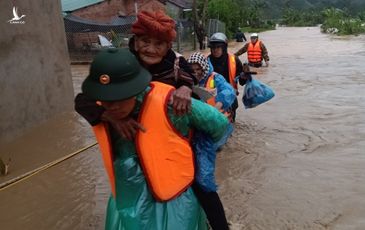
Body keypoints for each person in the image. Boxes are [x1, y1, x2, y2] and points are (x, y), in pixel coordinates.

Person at [80, 48, 230, 229]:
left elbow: (219, 124)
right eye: (106, 100)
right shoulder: (99, 106)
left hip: (173, 191)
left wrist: (192, 147)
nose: (112, 106)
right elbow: (81, 102)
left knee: (206, 197)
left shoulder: (172, 103)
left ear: (135, 90)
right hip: (128, 192)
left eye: (119, 98)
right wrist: (106, 116)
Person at [75, 10, 196, 140]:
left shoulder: (177, 63)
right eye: (145, 41)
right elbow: (82, 102)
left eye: (159, 44)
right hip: (131, 136)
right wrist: (108, 116)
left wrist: (185, 88)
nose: (150, 49)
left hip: (166, 135)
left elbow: (190, 81)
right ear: (136, 42)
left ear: (168, 46)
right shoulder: (120, 63)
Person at [187, 52, 236, 230]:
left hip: (214, 128)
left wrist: (217, 107)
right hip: (195, 130)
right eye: (192, 69)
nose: (195, 72)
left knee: (204, 178)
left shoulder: (216, 78)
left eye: (198, 69)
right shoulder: (186, 82)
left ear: (204, 67)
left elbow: (229, 92)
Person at [207, 32, 247, 122]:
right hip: (212, 100)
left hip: (230, 99)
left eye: (218, 47)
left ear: (224, 48)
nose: (215, 50)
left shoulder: (234, 60)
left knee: (230, 126)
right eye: (213, 47)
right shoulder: (205, 62)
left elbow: (242, 82)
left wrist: (244, 77)